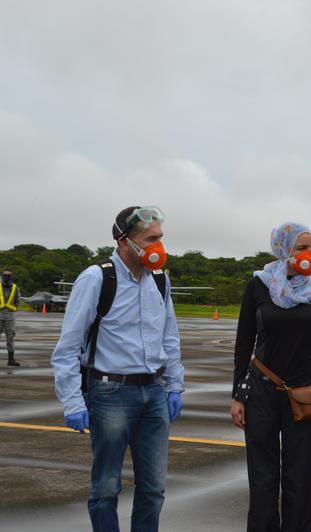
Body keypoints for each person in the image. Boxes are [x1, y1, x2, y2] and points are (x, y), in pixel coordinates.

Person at [51, 206, 185, 532]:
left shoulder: (159, 280)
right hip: (111, 393)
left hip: (153, 393)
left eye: (160, 238)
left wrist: (174, 385)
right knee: (106, 488)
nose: (158, 246)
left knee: (154, 488)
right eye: (150, 239)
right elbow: (67, 348)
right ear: (124, 241)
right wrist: (72, 401)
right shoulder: (97, 278)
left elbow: (169, 337)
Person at [230, 221, 311, 532]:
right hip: (262, 390)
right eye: (302, 247)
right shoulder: (259, 285)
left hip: (306, 393)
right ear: (283, 250)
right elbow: (243, 341)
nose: (309, 253)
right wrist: (238, 393)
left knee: (300, 479)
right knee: (262, 478)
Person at [1, 270, 20, 366]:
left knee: (10, 338)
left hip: (10, 316)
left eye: (8, 275)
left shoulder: (15, 287)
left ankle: (11, 359)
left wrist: (14, 308)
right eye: (5, 275)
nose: (6, 277)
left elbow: (17, 300)